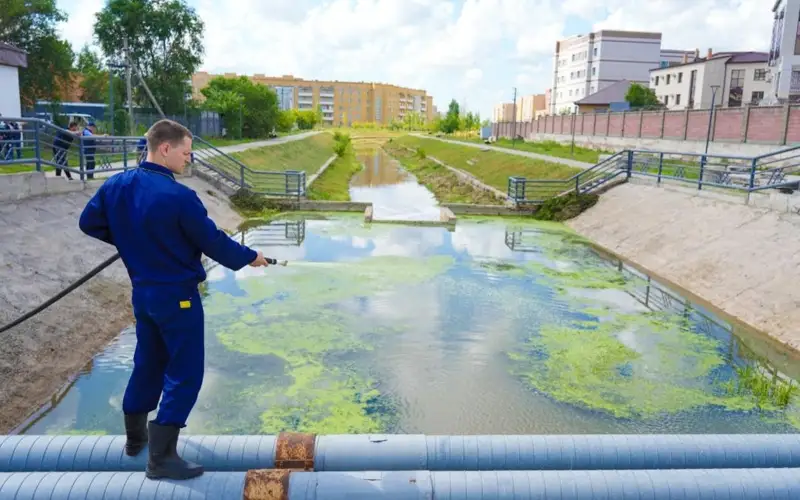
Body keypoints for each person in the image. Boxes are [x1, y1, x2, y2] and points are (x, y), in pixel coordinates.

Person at [78, 119, 270, 480]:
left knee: (148, 363)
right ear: (165, 148)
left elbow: (89, 223)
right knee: (185, 372)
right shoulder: (179, 196)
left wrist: (131, 241)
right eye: (185, 152)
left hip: (144, 295)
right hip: (177, 298)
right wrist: (250, 256)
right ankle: (162, 459)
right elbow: (212, 241)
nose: (189, 158)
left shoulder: (116, 185)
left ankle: (135, 441)